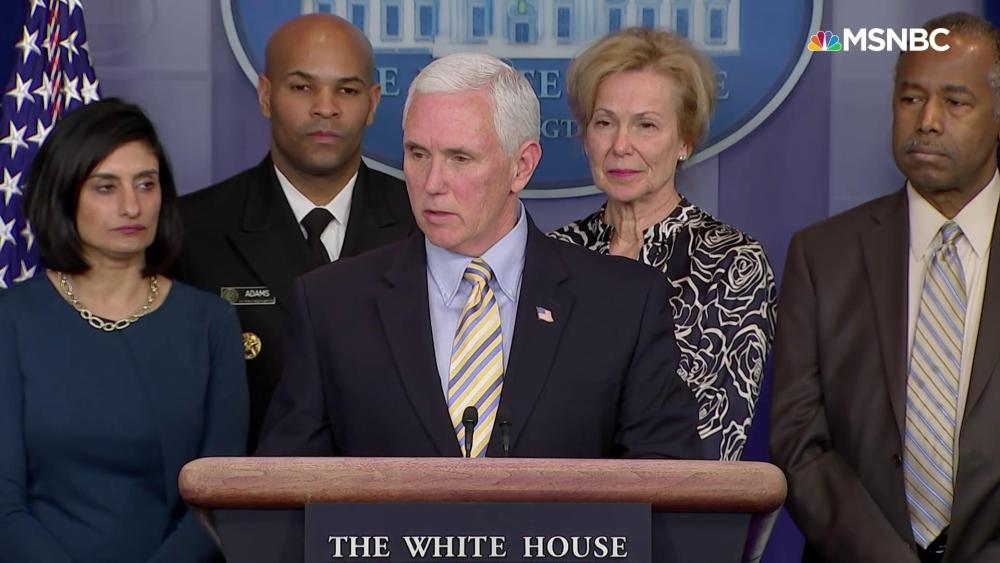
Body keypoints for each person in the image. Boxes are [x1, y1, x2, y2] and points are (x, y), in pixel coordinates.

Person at [256, 53, 702, 460]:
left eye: (460, 158)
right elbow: (283, 492)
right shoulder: (332, 305)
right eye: (418, 154)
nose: (432, 183)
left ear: (521, 166)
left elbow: (668, 489)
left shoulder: (623, 305)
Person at [770, 13, 1000, 563]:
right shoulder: (821, 255)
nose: (928, 121)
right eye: (911, 99)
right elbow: (799, 441)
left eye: (956, 102)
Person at [0, 99, 248, 562]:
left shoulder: (210, 323)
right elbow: (4, 505)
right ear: (64, 194)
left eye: (146, 184)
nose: (131, 206)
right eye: (106, 187)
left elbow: (219, 499)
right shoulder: (12, 319)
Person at [175, 14, 416, 450]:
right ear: (265, 95)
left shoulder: (422, 224)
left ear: (373, 102)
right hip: (247, 490)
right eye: (302, 87)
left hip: (394, 491)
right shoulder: (191, 230)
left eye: (347, 90)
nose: (325, 107)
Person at [550, 27, 776, 460]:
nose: (620, 146)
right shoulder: (556, 252)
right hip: (558, 499)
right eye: (604, 123)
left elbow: (712, 436)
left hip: (674, 497)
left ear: (685, 140)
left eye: (646, 125)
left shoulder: (732, 264)